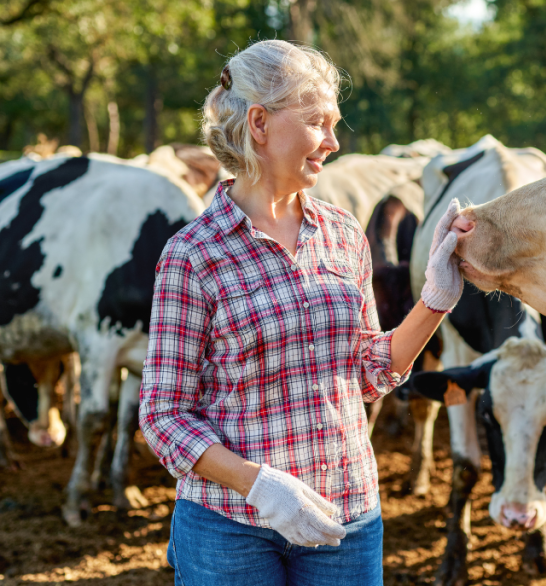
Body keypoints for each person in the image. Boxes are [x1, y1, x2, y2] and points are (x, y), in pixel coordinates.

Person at [139, 40, 463, 586]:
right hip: (230, 528)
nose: (334, 143)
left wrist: (435, 300)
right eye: (318, 123)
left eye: (335, 124)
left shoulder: (342, 234)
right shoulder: (193, 254)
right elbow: (163, 416)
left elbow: (368, 370)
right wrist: (260, 486)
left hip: (347, 515)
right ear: (260, 123)